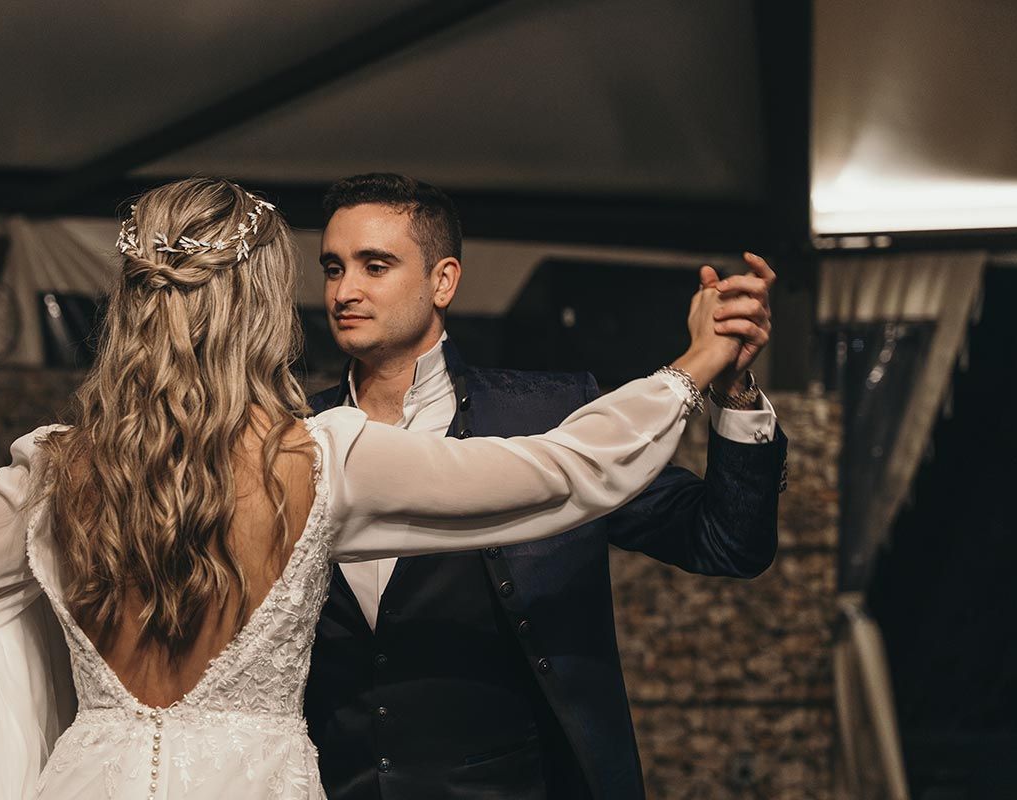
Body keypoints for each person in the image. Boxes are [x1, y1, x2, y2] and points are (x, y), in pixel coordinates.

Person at [0, 177, 744, 800]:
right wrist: (694, 366)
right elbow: (562, 472)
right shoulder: (322, 458)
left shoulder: (50, 471)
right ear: (262, 305)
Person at [304, 173, 788, 799]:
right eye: (333, 267)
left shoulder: (552, 418)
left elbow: (726, 543)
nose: (345, 290)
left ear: (443, 280)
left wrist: (735, 391)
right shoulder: (289, 432)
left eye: (375, 266)